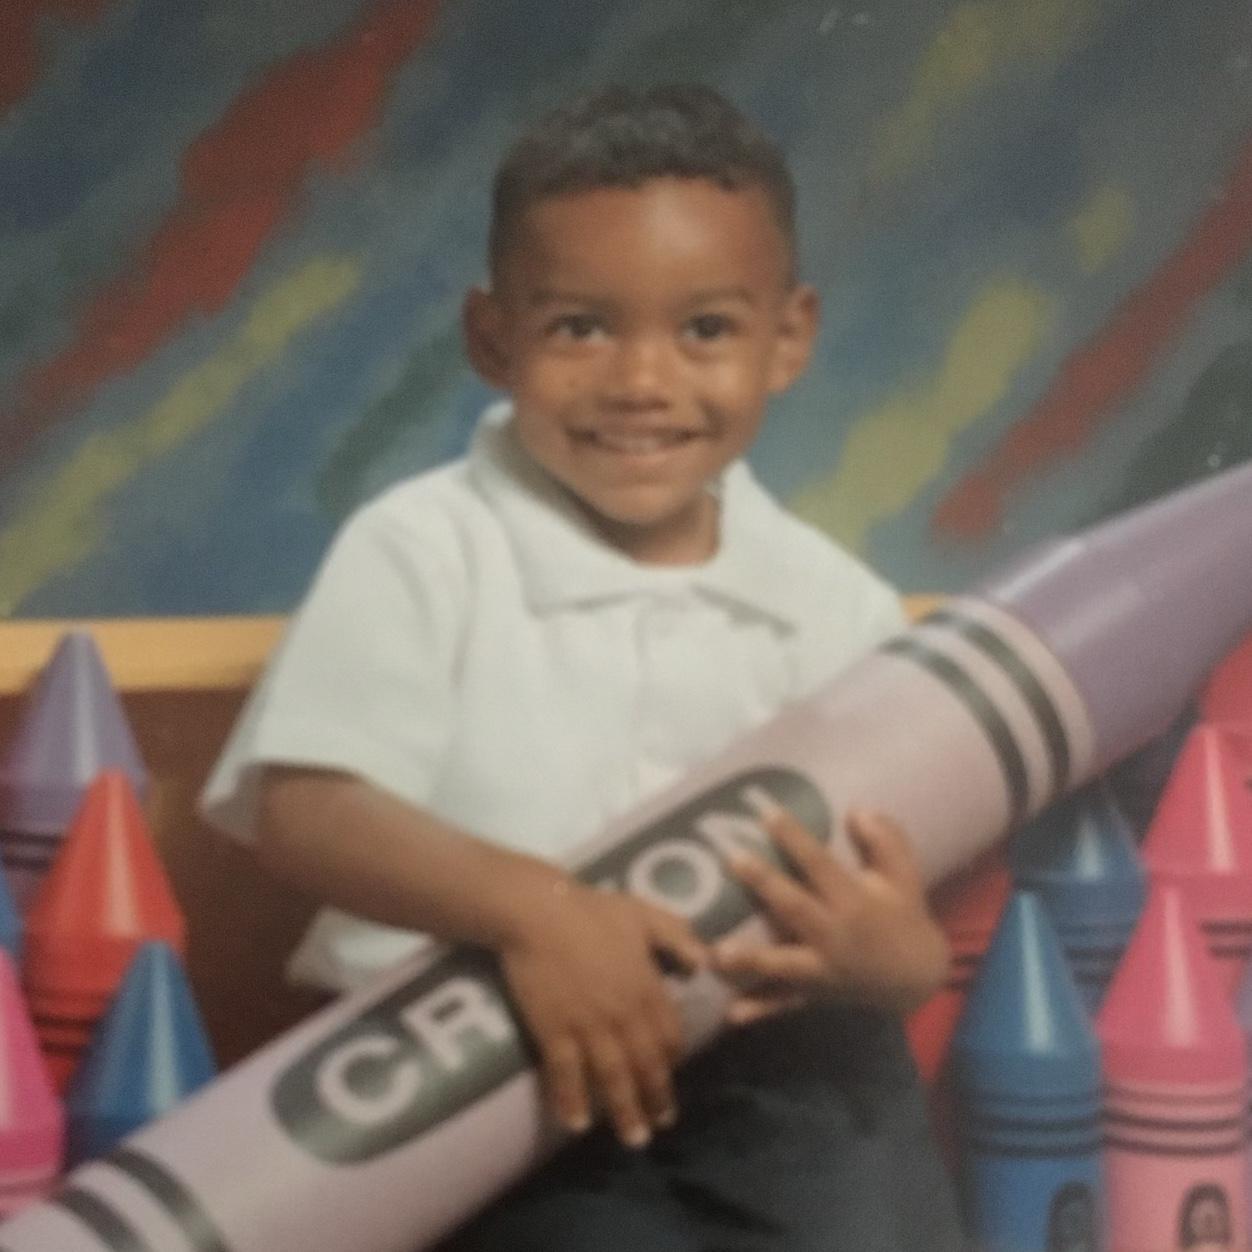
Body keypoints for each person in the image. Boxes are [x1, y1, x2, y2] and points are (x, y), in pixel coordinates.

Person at [200, 83, 963, 1251]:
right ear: (492, 339)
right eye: (579, 329)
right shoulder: (424, 548)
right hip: (486, 1062)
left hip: (764, 1068)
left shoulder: (834, 604)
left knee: (865, 1159)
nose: (641, 381)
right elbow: (307, 812)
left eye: (704, 329)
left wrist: (901, 962)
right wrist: (538, 914)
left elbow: (886, 866)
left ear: (787, 338)